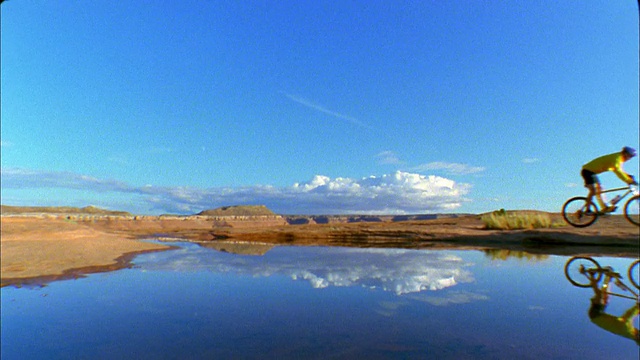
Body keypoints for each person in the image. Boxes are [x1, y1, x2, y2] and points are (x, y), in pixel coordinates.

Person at [581, 147, 638, 214]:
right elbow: (618, 171)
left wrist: (628, 176)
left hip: (591, 172)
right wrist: (629, 180)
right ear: (625, 154)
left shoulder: (619, 158)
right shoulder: (616, 158)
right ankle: (587, 210)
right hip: (588, 171)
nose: (630, 158)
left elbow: (620, 171)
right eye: (630, 156)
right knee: (593, 190)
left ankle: (604, 208)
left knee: (600, 188)